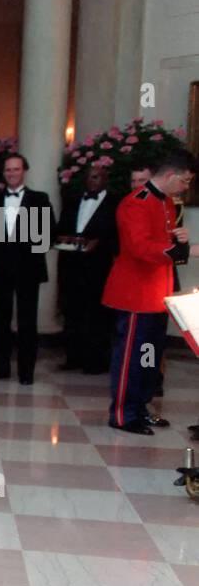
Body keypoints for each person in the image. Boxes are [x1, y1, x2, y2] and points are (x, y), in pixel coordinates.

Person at [101, 151, 193, 434]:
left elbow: (161, 242)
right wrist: (186, 252)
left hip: (157, 294)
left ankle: (140, 407)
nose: (187, 186)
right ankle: (122, 414)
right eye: (185, 180)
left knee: (150, 356)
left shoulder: (166, 202)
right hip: (135, 295)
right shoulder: (135, 203)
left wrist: (180, 240)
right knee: (130, 356)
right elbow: (140, 249)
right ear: (169, 175)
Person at [0, 154, 52, 386]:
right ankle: (0, 368)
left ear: (24, 171)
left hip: (28, 269)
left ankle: (26, 372)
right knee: (0, 320)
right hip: (1, 269)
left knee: (27, 321)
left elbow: (49, 235)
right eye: (8, 170)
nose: (11, 173)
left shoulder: (39, 199)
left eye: (16, 169)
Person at [53, 164, 119, 374]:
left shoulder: (115, 204)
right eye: (90, 177)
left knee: (97, 314)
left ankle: (97, 361)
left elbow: (117, 237)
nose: (93, 181)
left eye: (97, 177)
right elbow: (61, 228)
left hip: (98, 267)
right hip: (71, 265)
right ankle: (73, 357)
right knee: (72, 311)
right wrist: (64, 237)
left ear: (105, 180)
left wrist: (98, 242)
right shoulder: (73, 200)